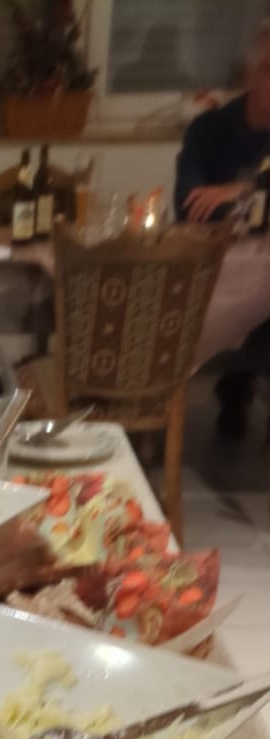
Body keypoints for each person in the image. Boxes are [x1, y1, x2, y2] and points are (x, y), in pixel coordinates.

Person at [175, 21, 270, 438]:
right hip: (216, 267)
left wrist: (241, 189)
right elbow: (191, 205)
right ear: (250, 75)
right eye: (269, 69)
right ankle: (232, 386)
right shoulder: (209, 130)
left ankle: (240, 386)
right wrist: (255, 197)